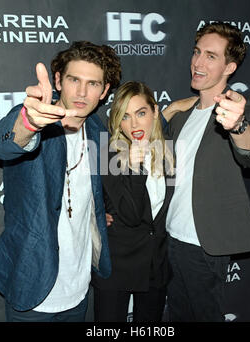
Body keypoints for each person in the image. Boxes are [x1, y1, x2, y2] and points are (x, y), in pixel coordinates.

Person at [0, 41, 121, 322]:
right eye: (73, 80)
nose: (82, 92)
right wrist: (28, 125)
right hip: (33, 287)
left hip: (80, 289)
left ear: (104, 91)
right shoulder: (35, 119)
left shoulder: (98, 131)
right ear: (58, 80)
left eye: (93, 84)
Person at [162, 22, 250, 322]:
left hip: (204, 246)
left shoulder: (244, 108)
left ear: (229, 67)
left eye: (211, 56)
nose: (198, 62)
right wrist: (168, 111)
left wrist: (237, 126)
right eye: (197, 52)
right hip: (170, 239)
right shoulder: (182, 115)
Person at [91, 81, 176, 322]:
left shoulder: (168, 151)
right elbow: (130, 214)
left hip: (156, 265)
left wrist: (180, 104)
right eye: (125, 117)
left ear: (155, 112)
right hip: (119, 264)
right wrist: (135, 168)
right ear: (118, 121)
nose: (135, 124)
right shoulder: (109, 155)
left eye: (141, 113)